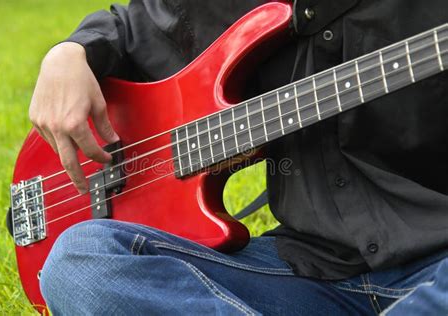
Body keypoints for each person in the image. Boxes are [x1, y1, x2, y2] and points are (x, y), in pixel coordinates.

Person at [29, 0, 448, 314]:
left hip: (438, 265)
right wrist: (69, 53)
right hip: (313, 274)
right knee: (80, 262)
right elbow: (132, 28)